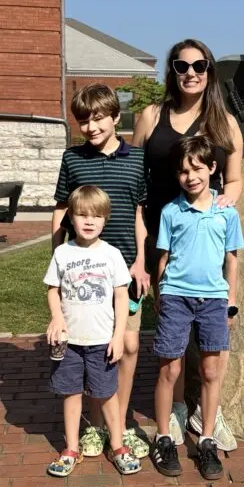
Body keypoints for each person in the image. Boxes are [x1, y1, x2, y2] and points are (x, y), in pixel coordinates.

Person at [132, 38, 244, 451]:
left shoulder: (225, 123)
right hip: (161, 237)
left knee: (213, 327)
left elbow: (233, 179)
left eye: (200, 65)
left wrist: (225, 201)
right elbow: (134, 176)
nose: (191, 72)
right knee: (170, 327)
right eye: (182, 66)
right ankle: (177, 407)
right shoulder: (149, 116)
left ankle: (208, 411)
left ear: (210, 71)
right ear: (172, 72)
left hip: (204, 241)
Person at [51, 84, 152, 460]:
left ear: (114, 117)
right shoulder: (72, 159)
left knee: (127, 344)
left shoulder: (137, 159)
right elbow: (61, 211)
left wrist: (141, 261)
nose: (90, 127)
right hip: (82, 273)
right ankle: (94, 426)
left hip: (125, 269)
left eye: (97, 118)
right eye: (83, 121)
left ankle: (119, 422)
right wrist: (58, 262)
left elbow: (141, 214)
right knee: (91, 347)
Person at [150, 136, 244, 480]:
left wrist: (230, 302)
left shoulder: (225, 213)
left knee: (209, 371)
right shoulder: (171, 212)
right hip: (175, 296)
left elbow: (231, 260)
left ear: (212, 169)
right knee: (169, 370)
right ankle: (163, 438)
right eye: (184, 171)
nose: (191, 176)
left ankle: (206, 440)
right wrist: (161, 293)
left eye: (197, 169)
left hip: (214, 301)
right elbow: (163, 257)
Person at [44, 186, 142, 477]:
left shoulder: (111, 255)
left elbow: (122, 296)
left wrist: (118, 335)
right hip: (70, 342)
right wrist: (57, 319)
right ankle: (71, 448)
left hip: (102, 341)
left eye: (96, 216)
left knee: (107, 393)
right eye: (82, 215)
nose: (89, 221)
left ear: (105, 219)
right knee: (71, 393)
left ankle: (117, 444)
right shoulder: (62, 253)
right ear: (71, 218)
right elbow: (53, 290)